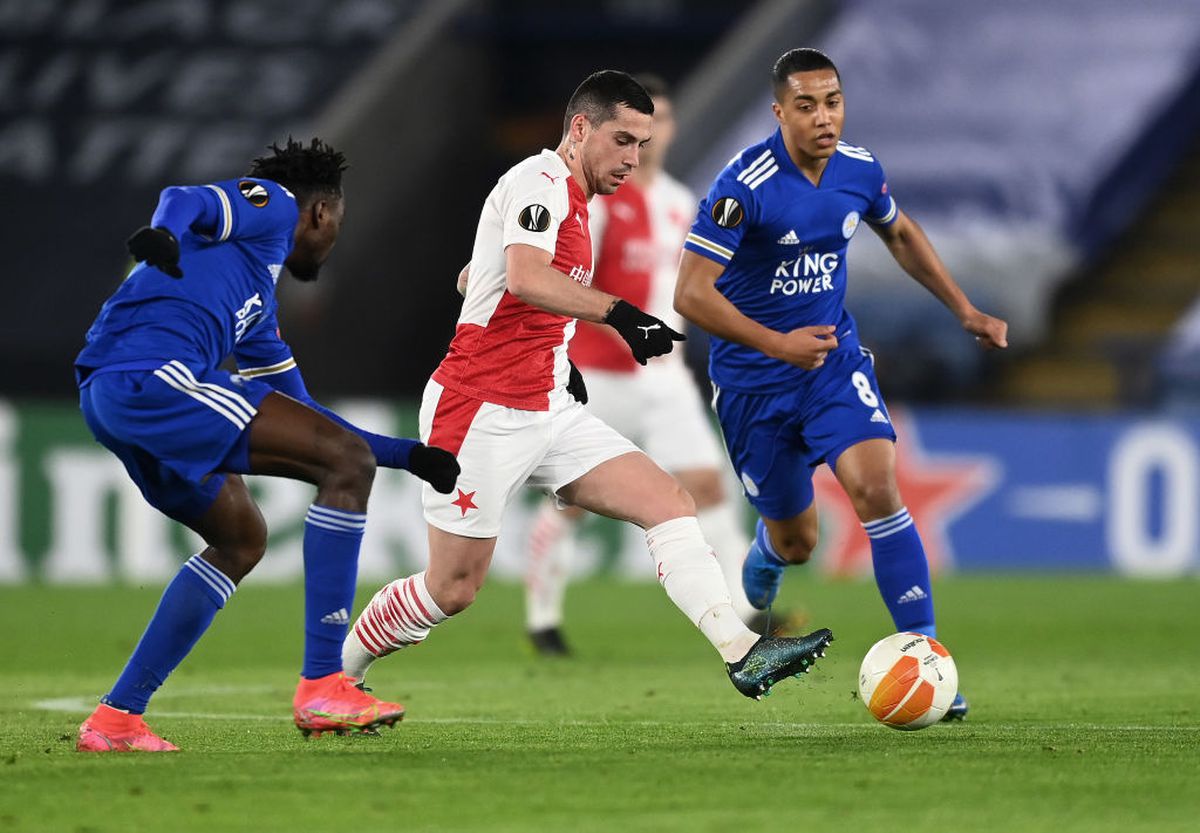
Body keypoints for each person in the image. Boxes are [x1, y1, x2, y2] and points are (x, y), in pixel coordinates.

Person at [342, 71, 833, 702]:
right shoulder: (538, 180)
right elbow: (522, 276)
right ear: (579, 129)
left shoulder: (576, 201)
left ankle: (743, 652)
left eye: (642, 143)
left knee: (671, 503)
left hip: (550, 406)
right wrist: (618, 313)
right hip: (480, 408)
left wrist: (551, 345)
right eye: (622, 140)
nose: (634, 157)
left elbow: (477, 278)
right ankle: (338, 673)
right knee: (453, 588)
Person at [73, 138, 461, 752]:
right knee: (341, 464)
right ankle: (323, 684)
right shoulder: (277, 205)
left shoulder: (255, 312)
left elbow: (308, 422)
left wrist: (408, 455)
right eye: (337, 223)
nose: (333, 239)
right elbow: (184, 198)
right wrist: (165, 236)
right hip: (150, 376)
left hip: (114, 394)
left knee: (241, 537)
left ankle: (118, 719)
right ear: (322, 214)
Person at [674, 49, 1009, 721]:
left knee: (878, 489)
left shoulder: (859, 169)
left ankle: (928, 655)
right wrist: (776, 343)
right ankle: (771, 549)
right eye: (806, 105)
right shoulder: (746, 185)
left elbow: (902, 233)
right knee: (799, 539)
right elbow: (689, 293)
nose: (823, 117)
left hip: (832, 364)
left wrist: (965, 308)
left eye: (832, 101)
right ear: (780, 112)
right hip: (754, 383)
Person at [519, 74, 764, 657]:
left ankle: (749, 616)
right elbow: (565, 276)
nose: (651, 139)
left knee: (708, 485)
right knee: (574, 500)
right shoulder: (598, 201)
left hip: (667, 374)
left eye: (664, 122)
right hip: (600, 369)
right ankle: (543, 616)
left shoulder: (682, 203)